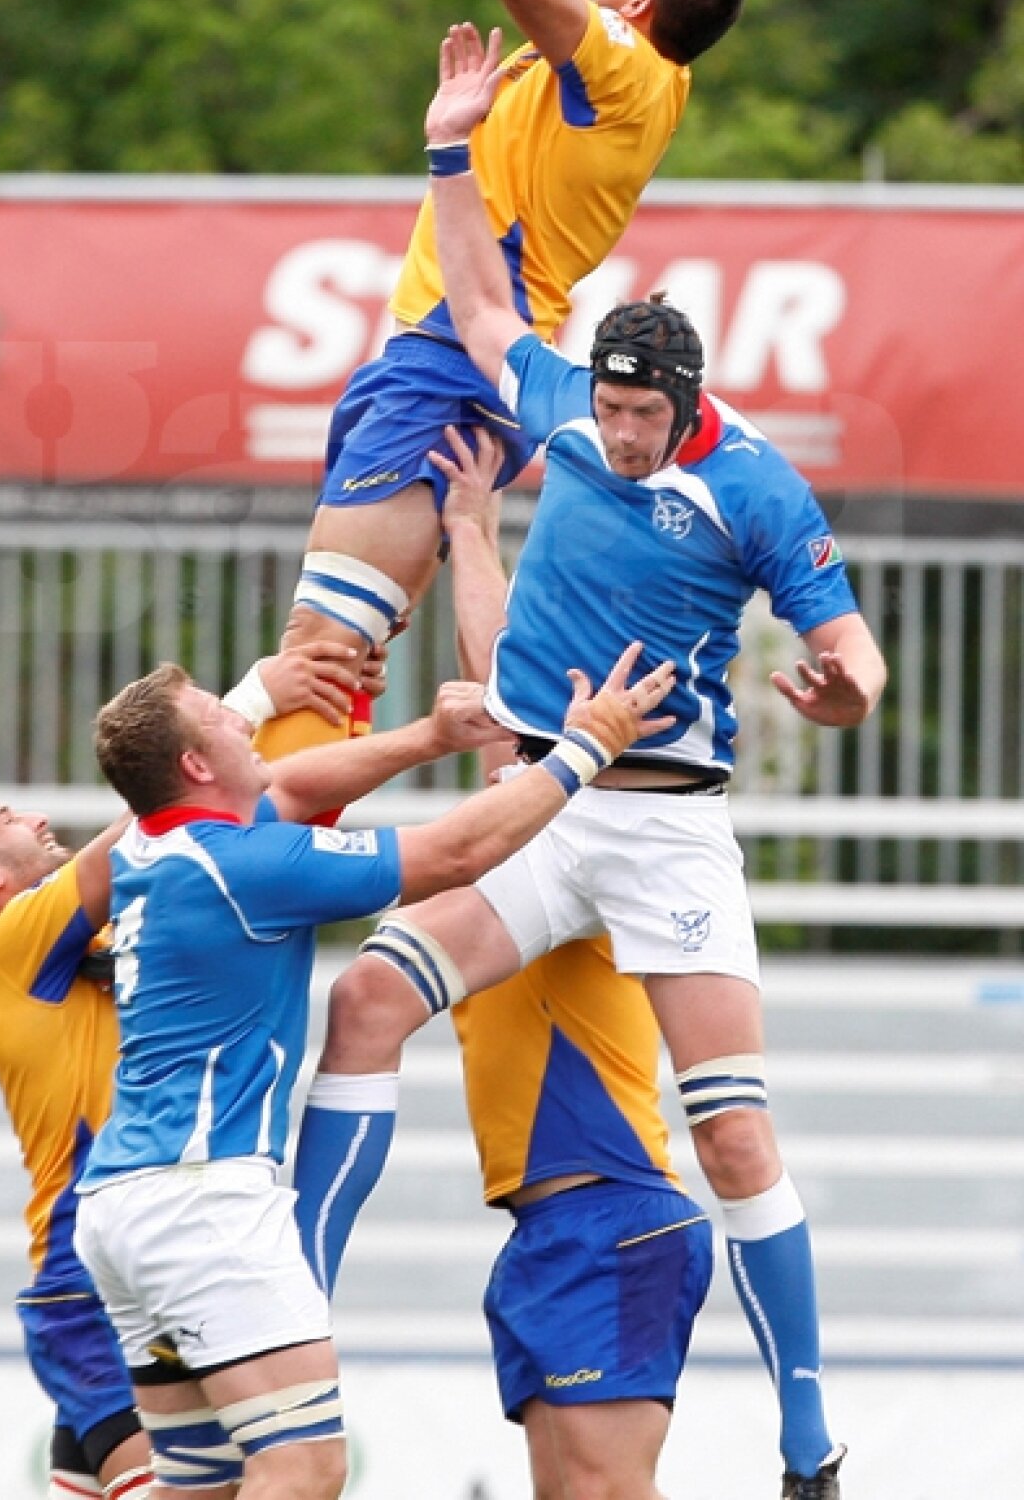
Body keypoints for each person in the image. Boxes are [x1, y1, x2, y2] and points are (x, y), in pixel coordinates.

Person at [290, 24, 888, 1500]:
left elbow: (857, 651)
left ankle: (810, 1442)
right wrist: (446, 144)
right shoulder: (568, 405)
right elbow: (485, 301)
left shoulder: (752, 484)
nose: (612, 434)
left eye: (638, 415)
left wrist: (840, 699)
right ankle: (289, 1315)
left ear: (686, 405)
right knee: (368, 997)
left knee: (736, 1138)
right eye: (603, 410)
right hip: (547, 811)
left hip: (671, 829)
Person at [256, 0, 781, 764]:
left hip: (455, 352)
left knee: (321, 653)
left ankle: (245, 897)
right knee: (344, 656)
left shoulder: (621, 64)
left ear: (636, 7)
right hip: (460, 351)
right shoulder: (644, 52)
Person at [73, 644, 675, 1500]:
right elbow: (457, 853)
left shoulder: (148, 846)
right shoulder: (245, 868)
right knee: (303, 1469)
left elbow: (295, 786)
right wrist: (588, 745)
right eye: (221, 716)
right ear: (197, 765)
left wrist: (430, 736)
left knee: (197, 1485)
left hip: (122, 1208)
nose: (245, 724)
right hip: (200, 1205)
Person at [0, 642, 373, 1500]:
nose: (38, 820)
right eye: (10, 820)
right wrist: (249, 699)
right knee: (253, 1477)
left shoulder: (104, 933)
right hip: (93, 1272)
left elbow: (246, 821)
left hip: (122, 1256)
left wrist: (345, 713)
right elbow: (158, 819)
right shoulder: (9, 946)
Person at [439, 424, 714, 1500]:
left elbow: (514, 716)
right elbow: (504, 692)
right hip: (554, 1224)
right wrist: (469, 529)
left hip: (609, 1213)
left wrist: (476, 534)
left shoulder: (583, 828)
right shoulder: (519, 840)